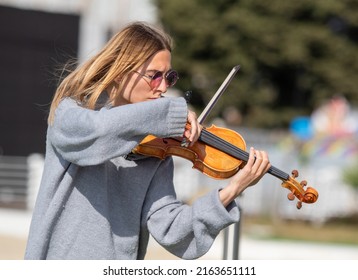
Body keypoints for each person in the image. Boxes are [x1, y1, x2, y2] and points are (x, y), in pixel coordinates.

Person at [24, 21, 271, 260]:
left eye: (169, 77)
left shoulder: (155, 153)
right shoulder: (69, 115)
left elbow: (174, 232)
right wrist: (171, 113)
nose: (162, 87)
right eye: (154, 76)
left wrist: (233, 189)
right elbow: (99, 133)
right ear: (121, 73)